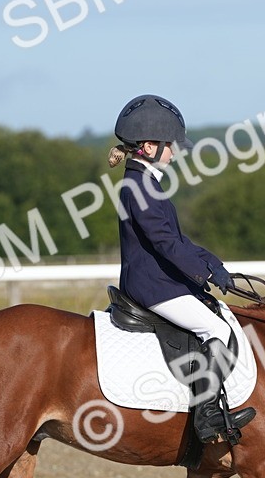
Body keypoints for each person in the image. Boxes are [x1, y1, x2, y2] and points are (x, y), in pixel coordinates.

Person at [108, 94, 256, 444]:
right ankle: (207, 417)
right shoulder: (139, 186)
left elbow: (177, 239)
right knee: (216, 330)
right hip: (152, 286)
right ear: (147, 147)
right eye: (169, 146)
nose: (175, 151)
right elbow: (165, 243)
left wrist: (212, 263)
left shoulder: (146, 182)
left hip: (159, 280)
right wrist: (202, 275)